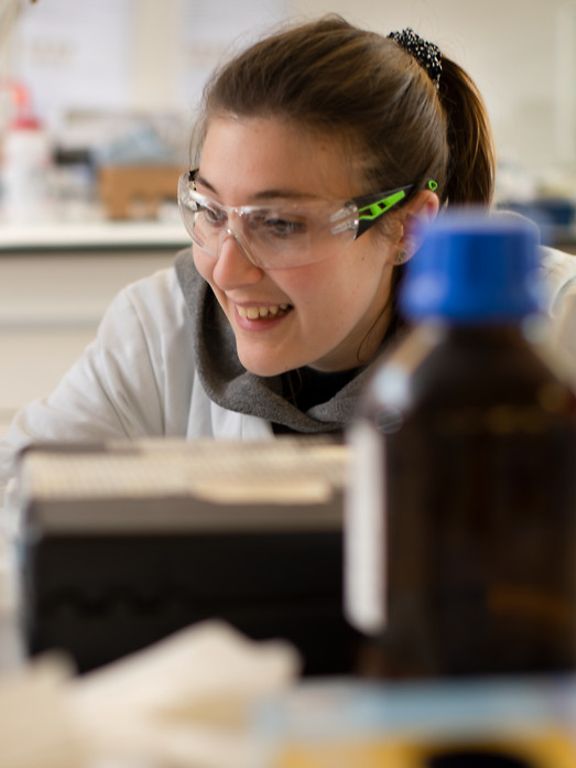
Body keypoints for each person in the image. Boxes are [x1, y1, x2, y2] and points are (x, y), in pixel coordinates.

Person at [1, 15, 576, 499]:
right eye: (211, 210)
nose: (225, 272)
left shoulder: (556, 326)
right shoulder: (162, 330)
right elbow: (15, 490)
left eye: (279, 224)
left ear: (409, 227)